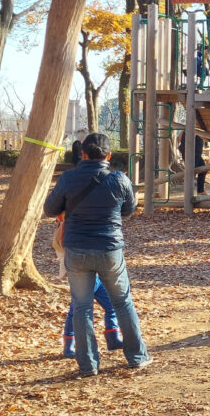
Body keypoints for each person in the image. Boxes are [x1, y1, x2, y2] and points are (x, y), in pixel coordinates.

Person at [44, 132, 151, 377]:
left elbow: (50, 209)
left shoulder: (68, 178)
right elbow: (129, 209)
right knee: (122, 301)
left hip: (77, 249)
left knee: (82, 307)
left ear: (82, 153)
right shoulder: (119, 178)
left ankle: (88, 364)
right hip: (110, 249)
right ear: (109, 156)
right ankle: (136, 356)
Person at [61, 274, 123, 358]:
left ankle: (113, 340)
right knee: (76, 311)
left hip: (99, 275)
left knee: (112, 306)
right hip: (82, 276)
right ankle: (68, 347)